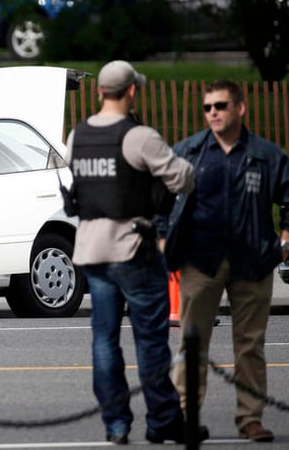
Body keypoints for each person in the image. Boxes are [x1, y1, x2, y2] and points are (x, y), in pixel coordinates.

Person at [65, 60, 198, 445]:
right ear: (132, 91)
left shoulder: (78, 135)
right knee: (150, 340)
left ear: (98, 92)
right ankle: (162, 421)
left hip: (92, 250)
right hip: (133, 249)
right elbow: (183, 178)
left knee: (104, 339)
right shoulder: (138, 136)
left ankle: (117, 424)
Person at [161, 79, 289, 443]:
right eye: (208, 108)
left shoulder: (267, 155)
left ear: (240, 108)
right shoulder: (188, 152)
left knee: (250, 344)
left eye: (220, 106)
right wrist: (163, 239)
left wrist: (285, 241)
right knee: (192, 342)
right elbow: (157, 197)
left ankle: (250, 418)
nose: (213, 113)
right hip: (199, 263)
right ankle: (185, 415)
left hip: (252, 262)